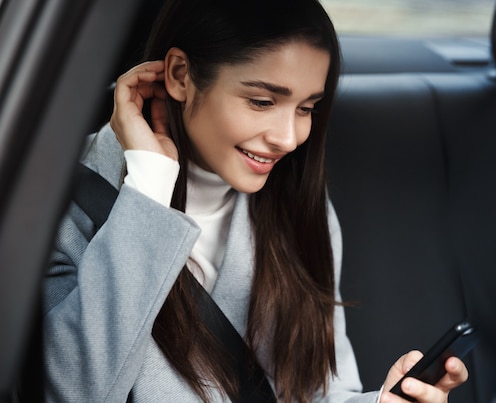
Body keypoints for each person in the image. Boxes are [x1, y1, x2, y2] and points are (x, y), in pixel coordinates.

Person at [43, 0, 468, 401]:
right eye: (261, 102)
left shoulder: (298, 204)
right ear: (179, 75)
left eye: (306, 109)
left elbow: (320, 392)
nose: (289, 138)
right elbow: (72, 391)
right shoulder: (50, 206)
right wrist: (150, 187)